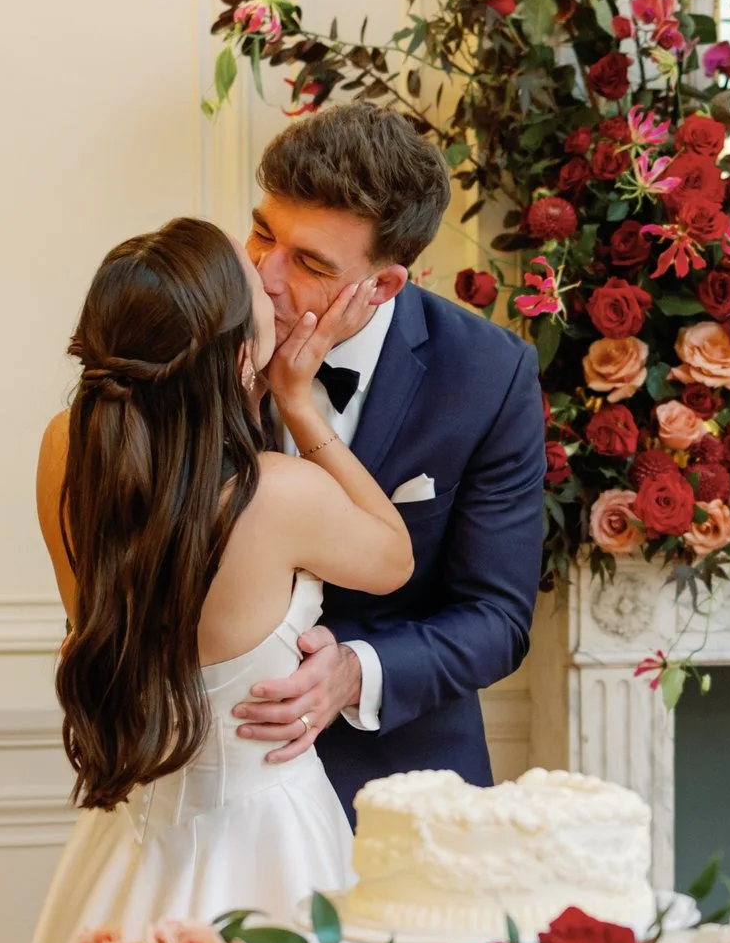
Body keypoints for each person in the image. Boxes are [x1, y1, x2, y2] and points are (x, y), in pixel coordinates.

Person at [14, 217, 412, 943]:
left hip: (128, 839)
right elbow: (392, 555)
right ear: (238, 356)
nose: (269, 275)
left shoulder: (66, 447)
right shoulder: (279, 495)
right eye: (251, 276)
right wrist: (301, 406)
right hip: (271, 842)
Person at [230, 104, 548, 813]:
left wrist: (353, 672)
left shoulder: (487, 375)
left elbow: (496, 615)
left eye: (309, 262)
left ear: (384, 285)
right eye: (261, 233)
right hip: (217, 779)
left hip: (404, 790)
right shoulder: (194, 332)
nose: (266, 276)